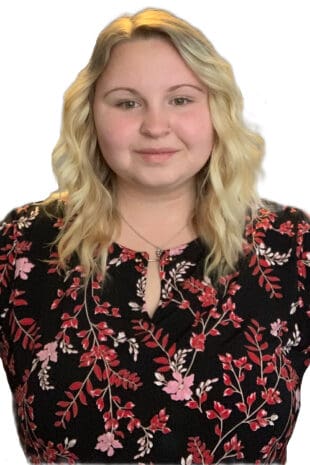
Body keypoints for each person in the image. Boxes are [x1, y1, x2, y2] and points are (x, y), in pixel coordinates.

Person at [0, 6, 309, 465]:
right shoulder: (23, 244)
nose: (155, 126)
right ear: (90, 114)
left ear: (217, 110)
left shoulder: (291, 247)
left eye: (181, 99)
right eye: (127, 102)